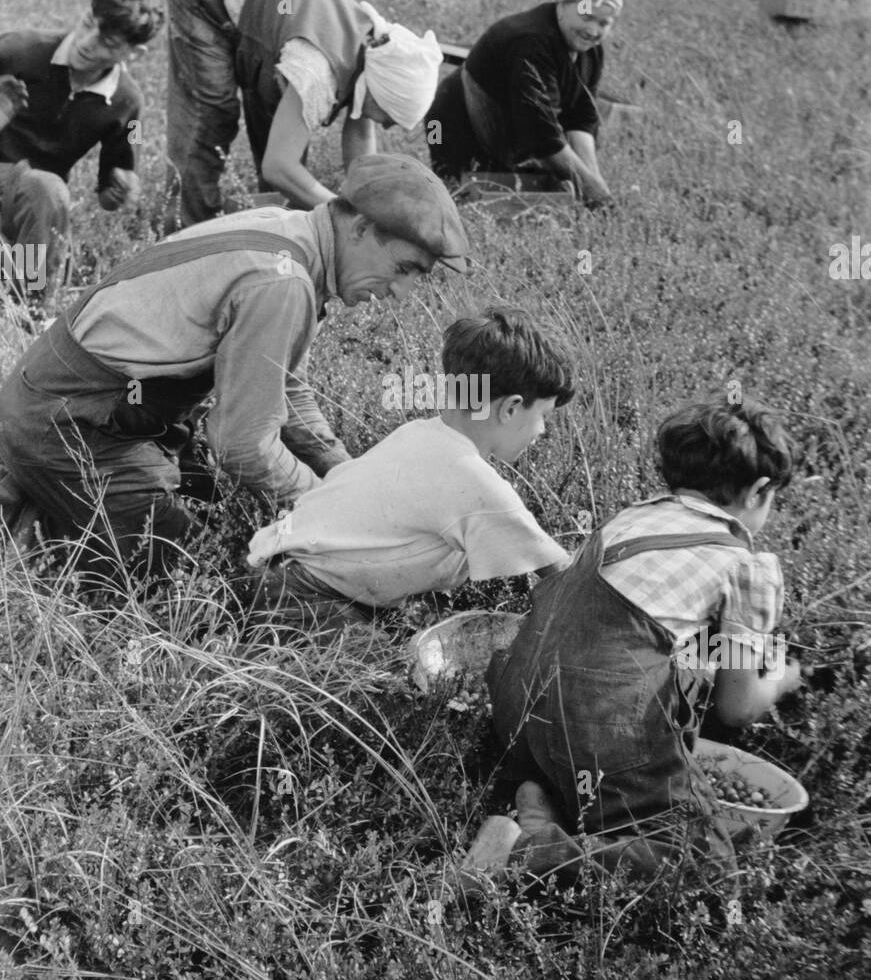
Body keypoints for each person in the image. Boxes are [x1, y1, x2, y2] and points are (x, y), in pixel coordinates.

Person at [0, 154, 469, 585]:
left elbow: (284, 387)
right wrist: (328, 506)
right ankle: (41, 519)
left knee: (215, 511)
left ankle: (39, 505)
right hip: (72, 424)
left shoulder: (294, 234)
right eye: (403, 268)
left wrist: (343, 473)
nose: (402, 292)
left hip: (103, 408)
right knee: (203, 576)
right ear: (362, 228)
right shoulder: (281, 283)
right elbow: (243, 446)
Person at [484, 399, 803, 882]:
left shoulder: (633, 517)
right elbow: (739, 707)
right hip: (593, 723)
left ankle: (537, 796)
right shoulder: (750, 568)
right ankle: (521, 856)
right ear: (760, 490)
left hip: (516, 709)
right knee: (703, 863)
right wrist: (782, 679)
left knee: (611, 733)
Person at [246, 307, 575, 635]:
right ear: (511, 408)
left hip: (274, 571)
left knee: (383, 648)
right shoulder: (475, 483)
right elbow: (562, 574)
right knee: (380, 679)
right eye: (543, 415)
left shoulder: (417, 433)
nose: (542, 430)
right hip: (305, 597)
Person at [164, 0, 444, 229]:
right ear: (380, 92)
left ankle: (269, 226)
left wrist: (367, 202)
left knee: (279, 115)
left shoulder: (375, 54)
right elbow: (279, 167)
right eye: (390, 117)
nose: (388, 127)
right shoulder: (317, 72)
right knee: (212, 111)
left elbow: (361, 135)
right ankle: (184, 228)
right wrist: (350, 218)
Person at [0, 0, 164, 310]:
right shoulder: (17, 48)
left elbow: (111, 192)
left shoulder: (128, 103)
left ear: (135, 54)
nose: (87, 42)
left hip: (30, 209)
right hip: (16, 185)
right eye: (88, 23)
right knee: (45, 191)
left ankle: (25, 307)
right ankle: (26, 302)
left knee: (47, 203)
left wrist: (122, 191)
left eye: (108, 42)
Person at [426, 0, 622, 206]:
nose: (593, 30)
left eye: (604, 24)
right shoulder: (530, 42)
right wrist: (596, 194)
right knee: (456, 196)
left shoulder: (590, 52)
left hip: (508, 134)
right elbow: (543, 137)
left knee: (555, 195)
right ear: (562, 6)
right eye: (586, 17)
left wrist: (595, 183)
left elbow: (581, 118)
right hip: (446, 125)